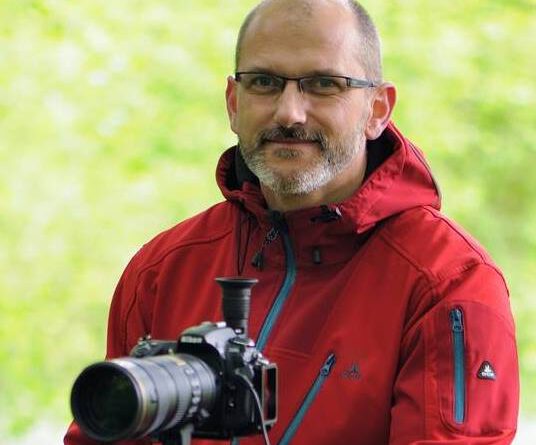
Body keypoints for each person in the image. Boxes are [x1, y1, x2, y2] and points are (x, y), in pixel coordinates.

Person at [64, 0, 519, 444]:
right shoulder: (163, 270)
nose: (289, 112)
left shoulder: (446, 283)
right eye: (264, 82)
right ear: (233, 103)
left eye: (323, 84)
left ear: (378, 109)